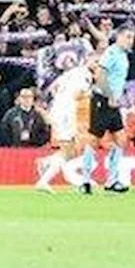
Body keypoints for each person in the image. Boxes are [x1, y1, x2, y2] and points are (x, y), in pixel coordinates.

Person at [81, 30, 131, 194]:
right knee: (94, 139)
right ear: (118, 37)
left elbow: (117, 79)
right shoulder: (112, 52)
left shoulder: (123, 54)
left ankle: (112, 180)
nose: (130, 41)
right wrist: (110, 95)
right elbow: (100, 74)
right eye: (127, 37)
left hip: (113, 101)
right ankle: (86, 180)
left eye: (132, 38)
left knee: (121, 138)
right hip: (102, 99)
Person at [35, 54, 94, 193]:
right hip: (66, 113)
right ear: (87, 61)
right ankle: (43, 181)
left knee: (71, 150)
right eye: (95, 61)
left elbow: (52, 88)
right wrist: (91, 94)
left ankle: (47, 162)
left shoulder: (70, 73)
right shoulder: (85, 75)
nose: (97, 65)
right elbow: (77, 94)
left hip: (58, 110)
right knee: (68, 151)